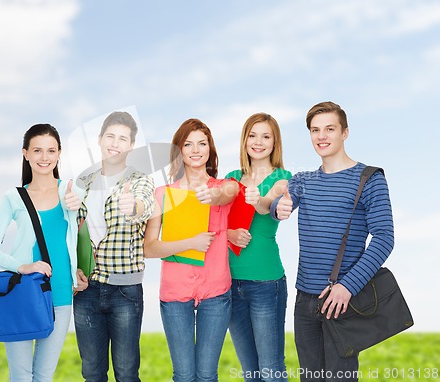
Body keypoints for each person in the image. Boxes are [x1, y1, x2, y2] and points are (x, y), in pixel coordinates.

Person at [271, 102, 394, 382]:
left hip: (342, 302)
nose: (321, 136)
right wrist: (279, 207)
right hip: (304, 302)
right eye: (315, 130)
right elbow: (281, 204)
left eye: (329, 129)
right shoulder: (304, 180)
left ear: (345, 132)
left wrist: (347, 287)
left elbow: (385, 238)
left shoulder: (369, 179)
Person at [0, 123, 85, 382]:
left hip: (61, 293)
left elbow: (81, 239)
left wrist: (78, 271)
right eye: (37, 150)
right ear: (25, 153)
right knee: (21, 375)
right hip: (23, 293)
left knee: (44, 376)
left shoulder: (72, 192)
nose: (44, 157)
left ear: (59, 153)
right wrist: (22, 266)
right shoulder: (14, 197)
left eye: (51, 151)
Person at [144, 118, 239, 382]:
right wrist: (191, 243)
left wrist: (215, 196)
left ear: (210, 148)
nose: (196, 150)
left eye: (202, 143)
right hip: (175, 293)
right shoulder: (162, 194)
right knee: (184, 375)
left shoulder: (223, 188)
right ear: (179, 151)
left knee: (207, 375)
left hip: (216, 292)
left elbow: (231, 192)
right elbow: (149, 248)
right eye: (188, 144)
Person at [73, 111, 155, 382]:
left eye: (123, 139)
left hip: (125, 291)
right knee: (92, 373)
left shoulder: (139, 180)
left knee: (127, 373)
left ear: (131, 145)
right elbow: (70, 231)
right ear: (99, 139)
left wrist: (135, 206)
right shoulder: (83, 182)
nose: (115, 143)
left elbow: (145, 205)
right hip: (86, 290)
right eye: (111, 136)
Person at [226, 113, 292, 382]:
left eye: (266, 136)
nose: (258, 142)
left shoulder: (283, 179)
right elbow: (215, 225)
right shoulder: (231, 178)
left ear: (275, 142)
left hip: (266, 283)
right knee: (250, 372)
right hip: (230, 283)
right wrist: (230, 233)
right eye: (253, 135)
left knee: (271, 369)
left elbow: (268, 206)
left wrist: (256, 200)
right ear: (244, 141)